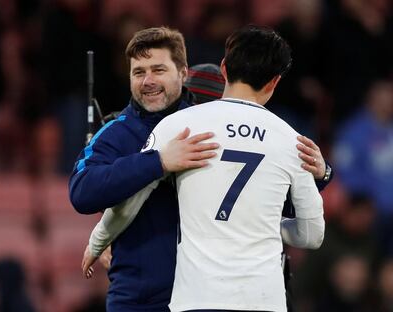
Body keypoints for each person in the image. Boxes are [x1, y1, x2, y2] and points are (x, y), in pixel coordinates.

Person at [82, 25, 325, 312]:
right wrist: (264, 224)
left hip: (198, 299)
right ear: (274, 81)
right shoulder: (292, 140)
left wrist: (98, 242)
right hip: (264, 300)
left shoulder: (180, 127)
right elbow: (312, 235)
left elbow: (129, 202)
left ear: (223, 68)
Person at [69, 27, 220, 312]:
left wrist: (319, 175)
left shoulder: (214, 128)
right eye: (139, 72)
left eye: (158, 70)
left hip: (208, 296)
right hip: (137, 300)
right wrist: (158, 161)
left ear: (183, 73)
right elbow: (82, 191)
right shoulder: (116, 132)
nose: (148, 81)